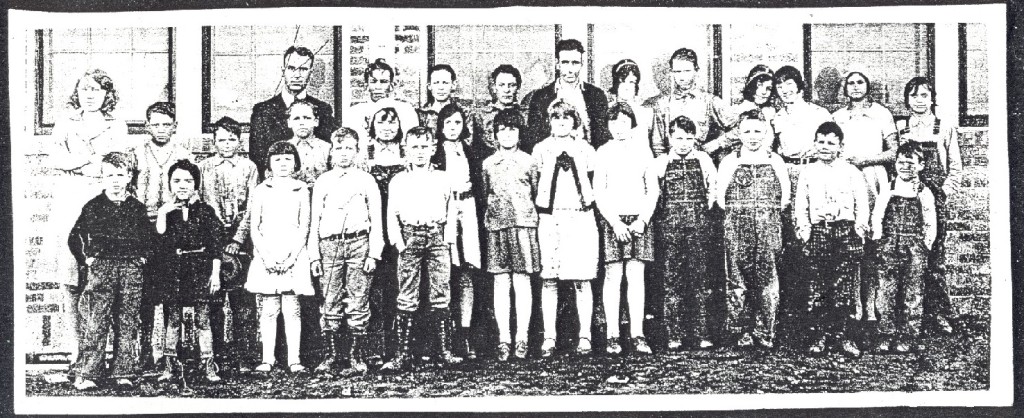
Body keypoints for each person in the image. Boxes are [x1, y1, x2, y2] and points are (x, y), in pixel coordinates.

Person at [46, 69, 132, 381]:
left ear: (107, 94)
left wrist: (87, 162)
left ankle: (100, 354)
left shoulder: (116, 124)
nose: (90, 95)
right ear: (77, 94)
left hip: (102, 202)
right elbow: (55, 158)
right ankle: (75, 350)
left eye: (96, 90)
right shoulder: (66, 123)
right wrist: (87, 162)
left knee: (102, 277)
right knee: (71, 276)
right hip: (70, 199)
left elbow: (116, 162)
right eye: (85, 90)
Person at [67, 152, 153, 390]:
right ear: (102, 178)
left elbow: (148, 237)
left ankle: (123, 372)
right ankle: (88, 373)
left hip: (130, 269)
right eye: (110, 175)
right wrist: (88, 260)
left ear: (128, 177)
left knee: (127, 320)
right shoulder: (93, 206)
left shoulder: (136, 208)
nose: (115, 180)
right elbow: (75, 237)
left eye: (120, 175)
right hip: (102, 268)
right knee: (97, 320)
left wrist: (142, 258)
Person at [382, 127, 462, 371]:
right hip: (410, 237)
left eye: (424, 147)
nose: (419, 152)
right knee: (407, 295)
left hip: (437, 237)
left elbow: (452, 210)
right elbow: (391, 214)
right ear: (405, 149)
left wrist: (448, 239)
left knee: (441, 291)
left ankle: (444, 351)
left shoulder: (443, 178)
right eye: (414, 147)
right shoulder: (399, 180)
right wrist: (398, 242)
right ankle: (402, 354)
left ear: (433, 149)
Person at [889, 77, 963, 334]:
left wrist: (942, 191)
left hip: (934, 198)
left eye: (924, 95)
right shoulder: (901, 128)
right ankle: (908, 318)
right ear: (907, 99)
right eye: (914, 96)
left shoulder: (944, 127)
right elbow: (897, 165)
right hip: (907, 199)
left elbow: (955, 167)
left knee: (934, 256)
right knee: (907, 257)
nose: (919, 100)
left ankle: (940, 315)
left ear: (932, 98)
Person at [309, 128, 384, 376]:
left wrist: (374, 253)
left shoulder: (366, 180)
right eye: (339, 148)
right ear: (332, 151)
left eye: (349, 148)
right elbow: (314, 220)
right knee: (329, 299)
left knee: (358, 298)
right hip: (329, 245)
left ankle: (356, 355)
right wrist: (314, 256)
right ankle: (331, 356)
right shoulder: (323, 181)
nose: (343, 153)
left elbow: (376, 219)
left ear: (357, 151)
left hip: (358, 244)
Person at [794, 122, 870, 357]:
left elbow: (862, 205)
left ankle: (844, 337)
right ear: (814, 144)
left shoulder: (851, 172)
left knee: (844, 287)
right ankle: (818, 337)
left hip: (845, 232)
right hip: (819, 232)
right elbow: (800, 205)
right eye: (821, 142)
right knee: (817, 286)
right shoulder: (808, 172)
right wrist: (805, 231)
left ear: (840, 146)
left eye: (831, 143)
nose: (825, 147)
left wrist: (859, 230)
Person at [717, 110, 790, 349]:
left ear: (766, 132)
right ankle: (741, 331)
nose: (752, 136)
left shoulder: (775, 160)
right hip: (738, 225)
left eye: (758, 131)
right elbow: (720, 198)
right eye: (747, 131)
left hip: (768, 225)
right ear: (739, 133)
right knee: (737, 278)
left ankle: (765, 331)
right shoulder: (730, 160)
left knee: (768, 279)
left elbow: (785, 197)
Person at [533, 99, 600, 357]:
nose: (561, 122)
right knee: (549, 278)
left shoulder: (585, 149)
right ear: (549, 122)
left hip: (580, 217)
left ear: (575, 121)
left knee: (582, 278)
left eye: (567, 118)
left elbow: (592, 179)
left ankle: (585, 336)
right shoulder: (540, 149)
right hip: (550, 218)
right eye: (556, 118)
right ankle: (549, 337)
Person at [831, 71, 897, 325]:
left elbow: (893, 152)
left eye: (860, 82)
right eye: (851, 83)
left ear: (868, 86)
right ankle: (852, 307)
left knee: (871, 245)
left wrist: (866, 160)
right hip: (846, 179)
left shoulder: (881, 114)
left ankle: (871, 307)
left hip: (872, 177)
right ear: (844, 88)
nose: (855, 87)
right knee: (849, 243)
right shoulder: (838, 117)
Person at [770, 65, 832, 335]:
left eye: (790, 83)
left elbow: (831, 145)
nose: (785, 89)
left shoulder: (818, 113)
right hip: (786, 172)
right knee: (788, 241)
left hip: (813, 171)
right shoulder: (776, 117)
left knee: (812, 237)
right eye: (780, 85)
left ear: (800, 86)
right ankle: (789, 313)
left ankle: (815, 312)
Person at [245, 141, 315, 373]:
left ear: (295, 162)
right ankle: (268, 358)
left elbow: (304, 226)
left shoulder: (302, 189)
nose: (283, 164)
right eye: (277, 160)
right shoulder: (261, 190)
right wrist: (266, 257)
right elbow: (255, 227)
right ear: (269, 164)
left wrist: (291, 257)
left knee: (292, 308)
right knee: (269, 308)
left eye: (287, 159)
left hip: (293, 254)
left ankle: (294, 359)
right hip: (268, 252)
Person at [132, 102, 192, 370]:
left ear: (175, 126)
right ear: (147, 126)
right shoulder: (136, 153)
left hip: (172, 226)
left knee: (171, 290)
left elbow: (190, 190)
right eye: (155, 124)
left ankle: (172, 352)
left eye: (166, 124)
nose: (161, 129)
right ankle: (145, 351)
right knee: (145, 292)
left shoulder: (183, 154)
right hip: (144, 226)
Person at [649, 115, 717, 351]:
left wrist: (700, 216)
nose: (684, 143)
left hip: (698, 227)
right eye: (678, 138)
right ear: (669, 137)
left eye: (689, 138)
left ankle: (702, 334)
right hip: (670, 228)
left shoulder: (704, 160)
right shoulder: (660, 163)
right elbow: (654, 195)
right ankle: (674, 335)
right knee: (671, 280)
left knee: (700, 279)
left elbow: (713, 192)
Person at [594, 102, 657, 355]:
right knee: (613, 277)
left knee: (636, 277)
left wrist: (642, 219)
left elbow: (652, 189)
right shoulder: (603, 152)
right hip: (613, 221)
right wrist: (615, 222)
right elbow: (599, 192)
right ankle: (612, 335)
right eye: (613, 122)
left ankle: (637, 334)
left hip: (639, 221)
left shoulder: (644, 152)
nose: (619, 128)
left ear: (632, 124)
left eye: (624, 122)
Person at [154, 159, 224, 383]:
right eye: (177, 181)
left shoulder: (205, 211)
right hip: (174, 271)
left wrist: (215, 274)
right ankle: (169, 367)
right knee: (172, 319)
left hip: (200, 269)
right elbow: (159, 240)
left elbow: (215, 246)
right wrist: (163, 213)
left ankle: (208, 365)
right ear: (169, 184)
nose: (182, 185)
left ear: (196, 184)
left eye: (188, 180)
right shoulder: (166, 212)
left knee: (203, 319)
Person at [197, 116, 259, 371]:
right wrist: (213, 242)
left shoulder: (249, 167)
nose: (226, 145)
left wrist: (237, 239)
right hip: (212, 236)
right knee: (214, 298)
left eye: (232, 139)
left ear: (239, 141)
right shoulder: (203, 167)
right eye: (221, 140)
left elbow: (252, 207)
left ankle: (244, 354)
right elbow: (200, 203)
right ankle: (218, 354)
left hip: (238, 235)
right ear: (214, 141)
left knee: (242, 300)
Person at [482, 109, 542, 361]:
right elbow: (487, 192)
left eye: (513, 130)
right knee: (501, 282)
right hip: (497, 227)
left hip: (524, 226)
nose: (507, 135)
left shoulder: (529, 162)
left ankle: (522, 338)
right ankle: (504, 339)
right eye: (503, 130)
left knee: (522, 281)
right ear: (495, 135)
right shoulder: (488, 164)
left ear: (520, 133)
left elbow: (536, 193)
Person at [870, 142, 937, 353]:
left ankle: (908, 336)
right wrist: (879, 239)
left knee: (913, 293)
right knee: (886, 291)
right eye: (901, 163)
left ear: (921, 165)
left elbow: (930, 221)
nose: (905, 167)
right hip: (889, 245)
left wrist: (925, 245)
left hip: (914, 247)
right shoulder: (889, 189)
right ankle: (885, 334)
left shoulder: (923, 192)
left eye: (911, 163)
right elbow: (877, 215)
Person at [433, 103, 483, 359]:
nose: (453, 128)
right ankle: (444, 335)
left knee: (467, 271)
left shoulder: (470, 151)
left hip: (469, 208)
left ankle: (465, 332)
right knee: (444, 269)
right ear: (441, 126)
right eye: (448, 123)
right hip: (445, 210)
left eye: (457, 123)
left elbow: (478, 184)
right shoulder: (434, 153)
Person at [250, 46, 336, 181]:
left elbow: (329, 155)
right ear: (283, 71)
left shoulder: (323, 109)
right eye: (291, 68)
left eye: (303, 69)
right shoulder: (262, 111)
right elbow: (258, 158)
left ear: (310, 72)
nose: (297, 75)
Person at [525, 39, 612, 152]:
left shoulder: (596, 95)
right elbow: (533, 137)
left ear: (582, 64)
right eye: (565, 62)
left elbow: (603, 135)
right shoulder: (541, 97)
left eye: (575, 63)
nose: (570, 69)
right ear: (557, 64)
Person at [646, 48, 732, 159]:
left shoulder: (709, 101)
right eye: (677, 72)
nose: (682, 77)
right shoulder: (662, 104)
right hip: (672, 164)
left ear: (696, 71)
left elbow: (741, 126)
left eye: (687, 71)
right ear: (671, 72)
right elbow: (658, 145)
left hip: (701, 163)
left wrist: (717, 144)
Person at [343, 59, 420, 146]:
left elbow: (412, 143)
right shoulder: (354, 112)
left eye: (383, 82)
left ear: (391, 85)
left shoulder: (405, 110)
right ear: (366, 85)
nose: (378, 86)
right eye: (373, 81)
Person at [472, 64, 529, 162]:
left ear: (518, 87)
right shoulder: (481, 116)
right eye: (502, 85)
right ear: (494, 88)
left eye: (512, 85)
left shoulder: (526, 115)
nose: (507, 90)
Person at [606, 59, 654, 151]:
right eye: (622, 82)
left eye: (631, 82)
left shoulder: (646, 113)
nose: (627, 87)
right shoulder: (607, 109)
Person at [285, 100, 331, 185]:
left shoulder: (327, 149)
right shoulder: (283, 149)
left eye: (307, 118)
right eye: (296, 118)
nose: (302, 123)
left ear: (316, 122)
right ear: (289, 122)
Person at [418, 64, 473, 133]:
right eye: (436, 83)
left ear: (453, 85)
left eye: (445, 83)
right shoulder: (421, 114)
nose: (441, 88)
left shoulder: (464, 112)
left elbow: (469, 139)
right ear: (429, 86)